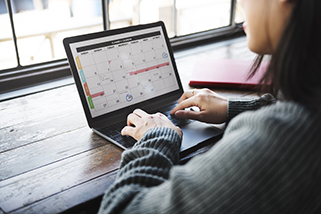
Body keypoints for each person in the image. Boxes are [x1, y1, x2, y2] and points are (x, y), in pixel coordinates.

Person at [98, 0, 321, 213]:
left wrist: (158, 137)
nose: (241, 2)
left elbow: (120, 209)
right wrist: (232, 108)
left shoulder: (276, 144)